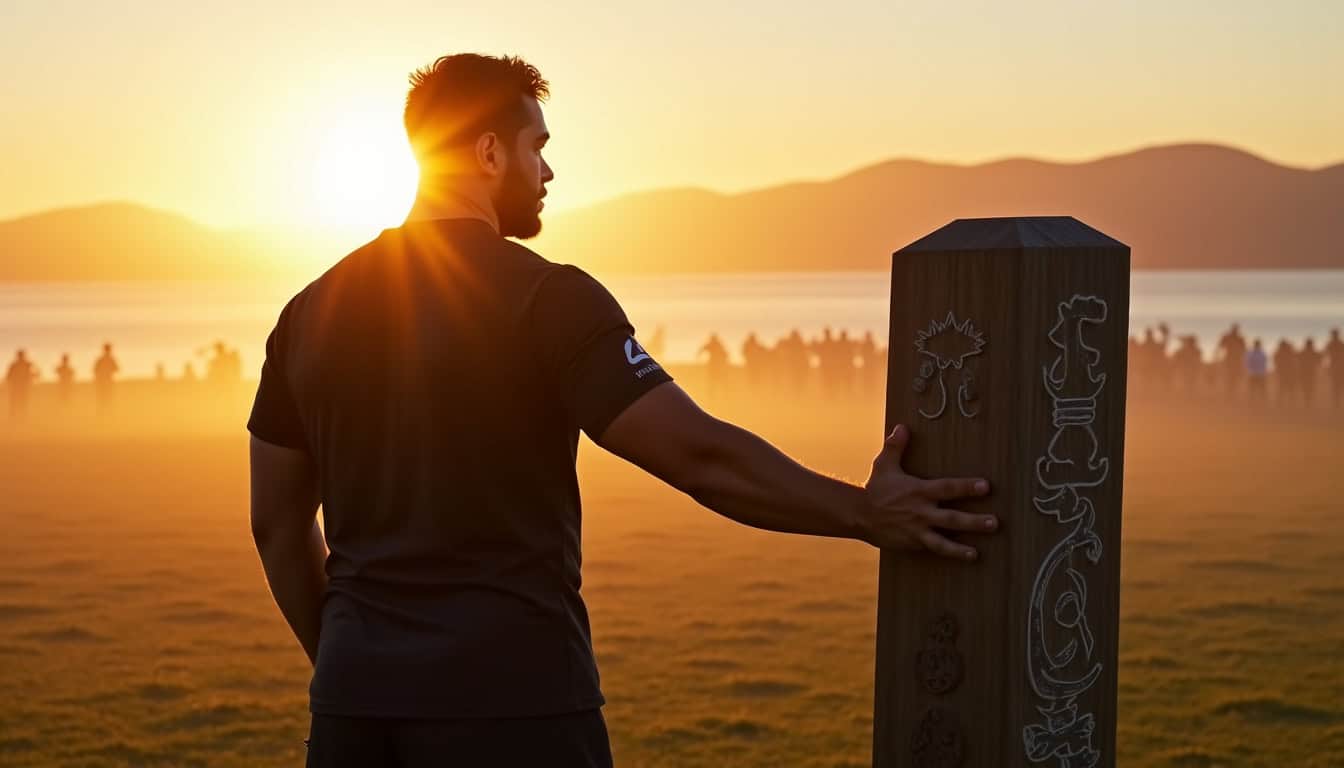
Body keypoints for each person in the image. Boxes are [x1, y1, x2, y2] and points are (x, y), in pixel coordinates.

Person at [247, 54, 997, 768]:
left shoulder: (309, 312)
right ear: (486, 152)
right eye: (536, 147)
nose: (547, 171)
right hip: (513, 704)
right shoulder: (548, 299)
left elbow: (276, 525)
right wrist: (867, 512)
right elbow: (698, 456)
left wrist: (354, 664)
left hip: (351, 712)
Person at [1215, 323, 1247, 398]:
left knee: (1232, 376)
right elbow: (1244, 350)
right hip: (1232, 359)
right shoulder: (1238, 338)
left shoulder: (1237, 338)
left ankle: (1230, 392)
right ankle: (1230, 392)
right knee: (1231, 376)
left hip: (1233, 359)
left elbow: (1219, 347)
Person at [5, 349, 38, 421]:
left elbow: (8, 376)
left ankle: (19, 418)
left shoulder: (26, 364)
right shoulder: (24, 364)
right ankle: (16, 418)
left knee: (20, 402)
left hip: (21, 387)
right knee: (18, 403)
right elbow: (9, 376)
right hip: (19, 387)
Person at [93, 342, 119, 413]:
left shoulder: (101, 359)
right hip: (106, 382)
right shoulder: (108, 359)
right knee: (106, 398)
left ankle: (104, 412)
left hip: (104, 382)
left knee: (103, 398)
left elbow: (95, 370)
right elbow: (117, 369)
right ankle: (105, 412)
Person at [1298, 338, 1323, 407]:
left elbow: (1297, 361)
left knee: (1306, 387)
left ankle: (1307, 400)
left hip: (1305, 372)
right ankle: (1308, 400)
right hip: (1310, 372)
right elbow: (1319, 361)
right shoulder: (1313, 352)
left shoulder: (1303, 352)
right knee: (1309, 386)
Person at [1245, 338, 1268, 406]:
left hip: (1256, 374)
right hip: (1256, 374)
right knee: (1256, 389)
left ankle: (1257, 402)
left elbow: (1246, 363)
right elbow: (1264, 363)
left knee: (1256, 389)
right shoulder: (1261, 353)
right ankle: (1254, 402)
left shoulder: (1251, 353)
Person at [1326, 328, 1344, 409]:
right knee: (1338, 385)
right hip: (1339, 367)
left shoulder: (1331, 344)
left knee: (1336, 385)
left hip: (1336, 367)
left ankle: (1336, 402)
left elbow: (1326, 355)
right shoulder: (1340, 344)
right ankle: (1337, 402)